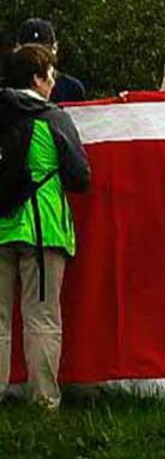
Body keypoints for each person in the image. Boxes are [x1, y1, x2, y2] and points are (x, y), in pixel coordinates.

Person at [0, 43, 91, 409]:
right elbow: (79, 176)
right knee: (42, 319)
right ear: (38, 78)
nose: (53, 83)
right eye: (51, 76)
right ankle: (44, 402)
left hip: (1, 226)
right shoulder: (53, 117)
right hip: (43, 228)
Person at [14, 19, 85, 104]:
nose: (38, 58)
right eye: (30, 53)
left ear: (54, 48)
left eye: (43, 52)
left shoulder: (72, 89)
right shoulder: (7, 90)